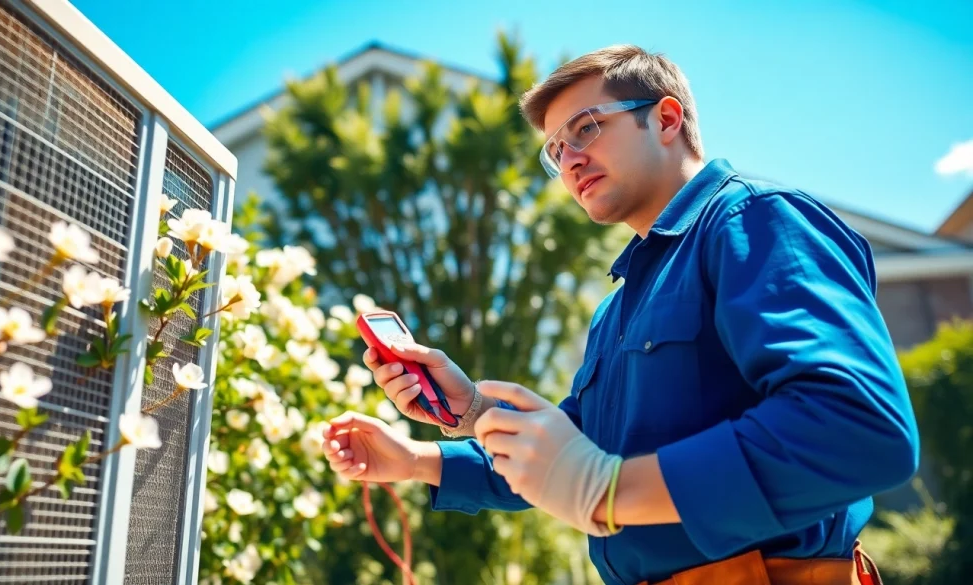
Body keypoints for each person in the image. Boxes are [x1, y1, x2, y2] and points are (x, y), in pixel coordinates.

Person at [322, 44, 917, 585]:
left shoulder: (753, 222)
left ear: (665, 118)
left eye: (586, 129)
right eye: (556, 150)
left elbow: (859, 428)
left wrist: (608, 490)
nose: (571, 160)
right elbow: (574, 457)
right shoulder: (619, 304)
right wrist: (447, 433)